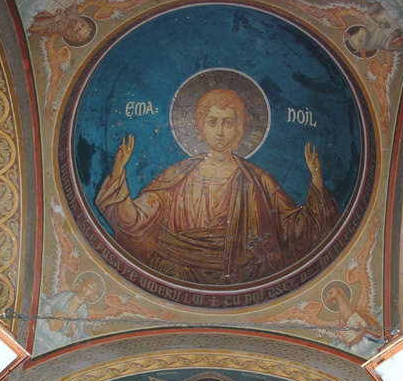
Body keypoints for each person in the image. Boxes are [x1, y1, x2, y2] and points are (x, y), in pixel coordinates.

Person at [96, 88, 339, 285]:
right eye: (212, 122)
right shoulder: (177, 176)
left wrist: (317, 179)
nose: (220, 131)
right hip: (175, 274)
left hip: (243, 278)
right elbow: (134, 221)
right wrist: (118, 172)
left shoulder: (259, 180)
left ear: (240, 130)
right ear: (200, 129)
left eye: (228, 123)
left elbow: (297, 231)